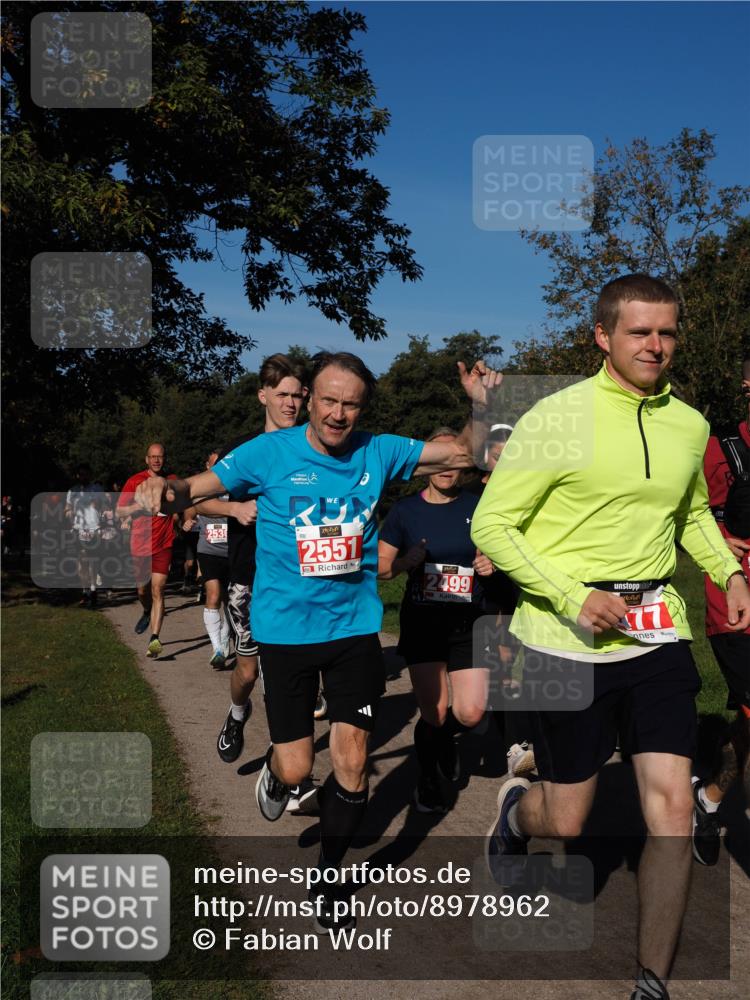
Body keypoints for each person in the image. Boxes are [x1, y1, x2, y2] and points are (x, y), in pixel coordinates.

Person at [134, 350, 500, 932]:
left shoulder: (378, 449)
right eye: (328, 400)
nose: (337, 413)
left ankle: (330, 871)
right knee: (300, 761)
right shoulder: (268, 452)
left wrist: (480, 408)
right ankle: (279, 774)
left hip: (354, 629)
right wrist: (166, 488)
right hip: (285, 633)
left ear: (362, 407)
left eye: (350, 403)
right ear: (310, 400)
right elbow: (197, 487)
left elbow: (461, 453)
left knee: (352, 763)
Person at [472, 274, 750, 1000]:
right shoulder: (555, 418)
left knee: (672, 806)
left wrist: (726, 572)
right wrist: (573, 596)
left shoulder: (688, 423)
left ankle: (650, 983)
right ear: (603, 336)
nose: (656, 346)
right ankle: (515, 811)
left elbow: (690, 511)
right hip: (563, 641)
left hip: (656, 636)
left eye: (666, 332)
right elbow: (491, 526)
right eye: (639, 332)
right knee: (568, 817)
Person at [378, 427, 494, 814]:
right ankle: (427, 780)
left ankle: (443, 740)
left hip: (469, 620)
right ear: (427, 466)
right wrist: (402, 563)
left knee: (470, 712)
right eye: (438, 459)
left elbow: (502, 548)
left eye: (454, 460)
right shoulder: (405, 511)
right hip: (424, 623)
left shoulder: (479, 505)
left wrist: (491, 563)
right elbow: (379, 567)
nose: (447, 468)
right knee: (436, 711)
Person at [692, 357, 750, 865]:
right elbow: (691, 512)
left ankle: (708, 798)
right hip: (736, 598)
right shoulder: (722, 445)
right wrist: (719, 538)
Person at [465, 424, 535, 777]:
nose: (503, 460)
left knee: (508, 662)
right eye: (497, 455)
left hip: (515, 584)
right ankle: (480, 726)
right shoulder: (471, 496)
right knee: (493, 662)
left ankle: (513, 744)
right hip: (476, 590)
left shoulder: (528, 492)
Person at [116, 443, 177, 658]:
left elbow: (183, 503)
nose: (156, 460)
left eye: (160, 456)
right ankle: (145, 610)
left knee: (158, 590)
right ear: (146, 459)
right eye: (152, 457)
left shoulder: (172, 480)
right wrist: (139, 507)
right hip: (140, 543)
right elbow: (119, 511)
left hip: (163, 543)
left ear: (164, 458)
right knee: (143, 590)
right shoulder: (134, 481)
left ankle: (155, 638)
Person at [184, 450, 233, 670]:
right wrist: (187, 521)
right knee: (213, 595)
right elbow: (189, 511)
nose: (217, 468)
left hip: (233, 553)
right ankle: (217, 649)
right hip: (209, 551)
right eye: (214, 464)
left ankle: (224, 640)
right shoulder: (201, 487)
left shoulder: (235, 485)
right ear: (207, 465)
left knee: (230, 602)